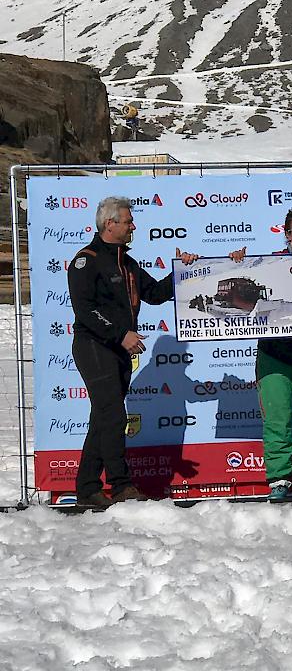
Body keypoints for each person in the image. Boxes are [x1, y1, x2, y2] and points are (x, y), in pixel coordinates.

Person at [68, 196, 198, 507]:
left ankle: (87, 487)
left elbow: (154, 294)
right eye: (128, 221)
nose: (133, 226)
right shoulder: (86, 260)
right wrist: (120, 333)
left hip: (118, 349)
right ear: (109, 224)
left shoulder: (128, 263)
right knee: (113, 414)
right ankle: (121, 484)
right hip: (93, 345)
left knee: (103, 418)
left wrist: (180, 272)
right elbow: (84, 310)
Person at [229, 208, 292, 502]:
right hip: (274, 356)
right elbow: (241, 283)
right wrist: (236, 264)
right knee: (277, 420)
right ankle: (279, 479)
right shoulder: (269, 264)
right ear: (287, 234)